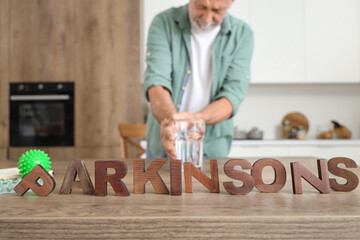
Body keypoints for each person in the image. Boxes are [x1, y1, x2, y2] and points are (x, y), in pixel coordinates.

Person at [143, 0, 254, 159]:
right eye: (202, 6)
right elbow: (156, 84)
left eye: (217, 11)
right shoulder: (164, 23)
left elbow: (232, 95)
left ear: (230, 3)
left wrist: (193, 121)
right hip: (165, 141)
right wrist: (173, 125)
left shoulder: (243, 34)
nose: (207, 18)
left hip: (212, 147)